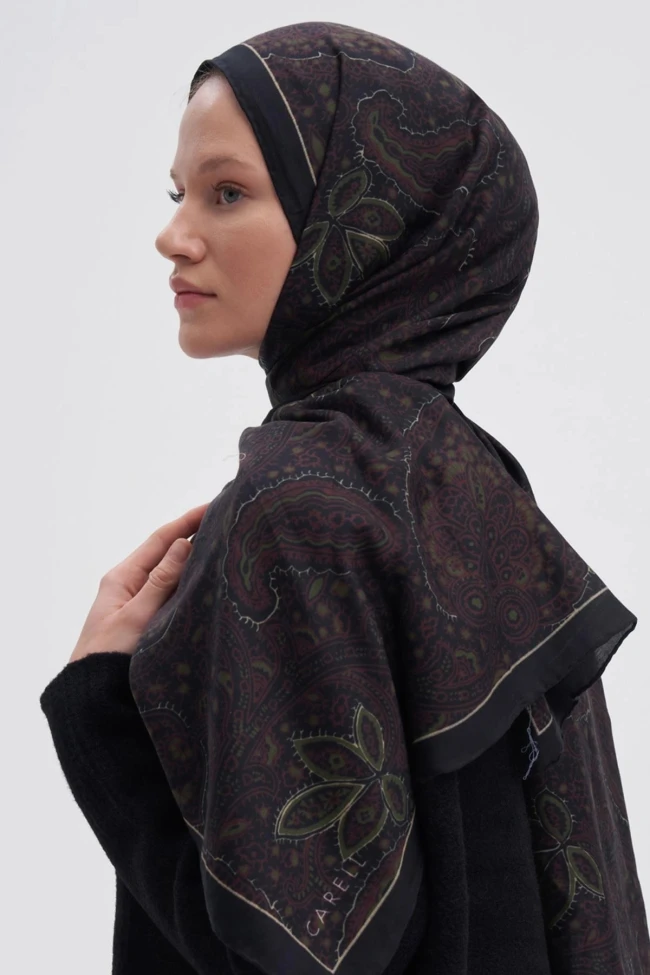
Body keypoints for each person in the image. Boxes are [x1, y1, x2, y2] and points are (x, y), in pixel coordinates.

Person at [40, 20, 650, 975]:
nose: (173, 235)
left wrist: (96, 709)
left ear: (362, 225)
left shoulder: (295, 510)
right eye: (177, 193)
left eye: (227, 193)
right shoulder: (460, 474)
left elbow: (288, 957)